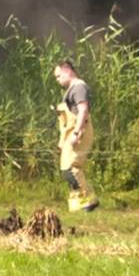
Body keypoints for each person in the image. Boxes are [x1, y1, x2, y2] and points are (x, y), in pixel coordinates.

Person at [53, 60, 98, 212]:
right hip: (72, 132)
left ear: (67, 70)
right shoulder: (72, 89)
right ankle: (82, 200)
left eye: (59, 76)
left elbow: (83, 110)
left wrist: (77, 133)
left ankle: (87, 199)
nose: (57, 80)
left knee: (71, 167)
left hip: (79, 132)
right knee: (67, 168)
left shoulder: (78, 87)